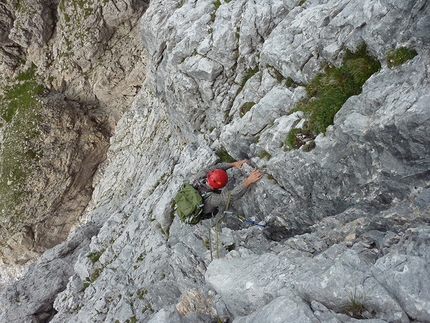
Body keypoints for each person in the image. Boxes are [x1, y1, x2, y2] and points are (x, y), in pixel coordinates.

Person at [192, 159, 264, 216]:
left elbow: (214, 168)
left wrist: (234, 164)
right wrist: (248, 180)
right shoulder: (212, 199)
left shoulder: (198, 178)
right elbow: (231, 196)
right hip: (201, 209)